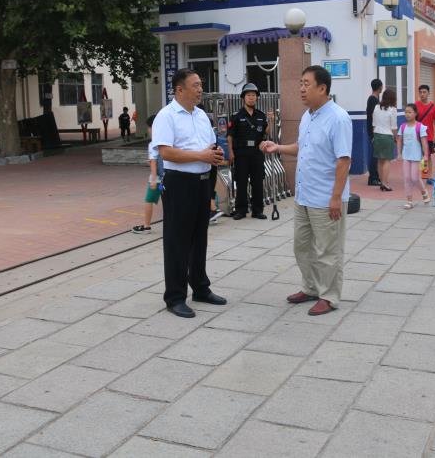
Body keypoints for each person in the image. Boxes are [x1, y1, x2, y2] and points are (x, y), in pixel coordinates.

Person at [260, 65, 352, 316]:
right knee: (302, 247)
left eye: (306, 84)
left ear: (322, 88)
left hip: (326, 197)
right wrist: (277, 147)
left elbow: (344, 160)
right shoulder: (307, 116)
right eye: (300, 83)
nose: (301, 88)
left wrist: (336, 197)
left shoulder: (338, 118)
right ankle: (311, 287)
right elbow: (303, 147)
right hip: (304, 195)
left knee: (327, 250)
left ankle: (329, 296)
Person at [151, 68, 227, 318]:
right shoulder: (166, 116)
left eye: (200, 84)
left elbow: (207, 146)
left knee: (199, 238)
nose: (200, 89)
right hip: (179, 183)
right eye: (195, 85)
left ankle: (200, 288)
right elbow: (166, 152)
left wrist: (214, 153)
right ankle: (175, 297)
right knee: (177, 241)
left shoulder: (201, 115)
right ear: (180, 89)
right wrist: (201, 155)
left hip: (203, 181)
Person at [228, 82, 267, 220]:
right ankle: (241, 210)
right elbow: (230, 136)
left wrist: (271, 121)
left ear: (257, 97)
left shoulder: (261, 115)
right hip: (241, 153)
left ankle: (257, 210)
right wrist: (230, 152)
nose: (251, 97)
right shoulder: (236, 116)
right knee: (241, 181)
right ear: (243, 97)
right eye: (248, 95)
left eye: (253, 95)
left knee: (257, 182)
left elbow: (266, 133)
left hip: (256, 153)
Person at [132, 115, 163, 234]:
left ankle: (146, 226)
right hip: (167, 179)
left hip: (157, 180)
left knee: (149, 200)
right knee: (167, 199)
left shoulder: (153, 143)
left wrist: (154, 179)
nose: (148, 130)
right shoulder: (168, 140)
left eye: (149, 127)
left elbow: (153, 161)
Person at [396, 103, 430, 209]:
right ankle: (409, 201)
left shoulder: (420, 127)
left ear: (415, 113)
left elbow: (424, 142)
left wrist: (426, 155)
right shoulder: (402, 127)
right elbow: (399, 141)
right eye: (406, 112)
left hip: (416, 156)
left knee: (415, 178)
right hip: (406, 156)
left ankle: (424, 192)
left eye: (410, 112)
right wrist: (399, 153)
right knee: (407, 178)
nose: (407, 114)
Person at [372, 88, 398, 192]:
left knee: (380, 160)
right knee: (387, 160)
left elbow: (374, 124)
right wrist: (396, 138)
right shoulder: (392, 109)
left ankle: (381, 181)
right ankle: (385, 183)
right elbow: (394, 127)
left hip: (377, 135)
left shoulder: (376, 107)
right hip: (387, 136)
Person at [415, 85, 435, 182]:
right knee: (418, 156)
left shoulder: (433, 107)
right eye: (420, 92)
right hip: (417, 135)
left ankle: (428, 177)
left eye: (424, 92)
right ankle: (422, 175)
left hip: (428, 136)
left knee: (428, 156)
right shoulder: (416, 105)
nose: (422, 94)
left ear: (428, 93)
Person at [366, 79, 383, 186]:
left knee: (376, 155)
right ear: (380, 87)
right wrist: (373, 134)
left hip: (375, 130)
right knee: (374, 155)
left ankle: (376, 176)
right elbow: (373, 117)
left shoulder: (375, 99)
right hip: (374, 131)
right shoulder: (372, 100)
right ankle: (372, 178)